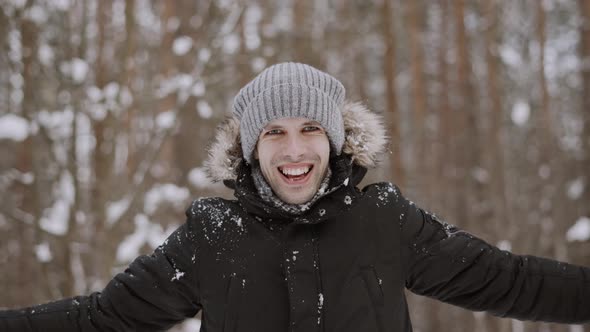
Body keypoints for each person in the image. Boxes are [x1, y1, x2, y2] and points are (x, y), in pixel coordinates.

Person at [1, 62, 589, 332]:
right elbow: (108, 318)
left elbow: (509, 280)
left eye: (310, 129)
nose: (294, 150)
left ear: (333, 140)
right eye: (273, 133)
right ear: (251, 148)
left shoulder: (383, 218)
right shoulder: (213, 234)